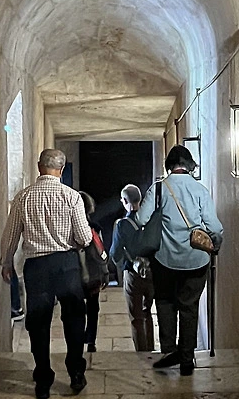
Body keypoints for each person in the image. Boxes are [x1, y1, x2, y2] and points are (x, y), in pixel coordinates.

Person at [0, 147, 94, 399]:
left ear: (39, 167)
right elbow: (84, 237)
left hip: (37, 267)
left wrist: (6, 263)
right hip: (66, 264)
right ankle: (76, 373)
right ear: (61, 170)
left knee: (38, 323)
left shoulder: (23, 197)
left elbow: (10, 235)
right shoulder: (72, 197)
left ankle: (43, 380)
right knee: (74, 319)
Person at [134, 146, 223, 375]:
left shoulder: (159, 188)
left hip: (165, 259)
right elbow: (214, 227)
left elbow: (141, 219)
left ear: (169, 166)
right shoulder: (200, 190)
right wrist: (215, 242)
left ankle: (169, 350)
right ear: (190, 165)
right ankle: (186, 360)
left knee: (165, 302)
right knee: (189, 307)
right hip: (196, 260)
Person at [109, 183, 155, 352]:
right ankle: (151, 349)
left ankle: (142, 352)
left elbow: (115, 253)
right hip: (152, 272)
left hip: (133, 272)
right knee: (148, 312)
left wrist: (123, 266)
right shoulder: (150, 220)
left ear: (125, 201)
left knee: (136, 317)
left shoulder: (122, 225)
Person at [78, 192, 108, 358]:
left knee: (76, 309)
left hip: (75, 275)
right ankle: (91, 340)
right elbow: (100, 252)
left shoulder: (68, 228)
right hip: (93, 274)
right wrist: (105, 272)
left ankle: (77, 338)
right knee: (93, 308)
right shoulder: (95, 227)